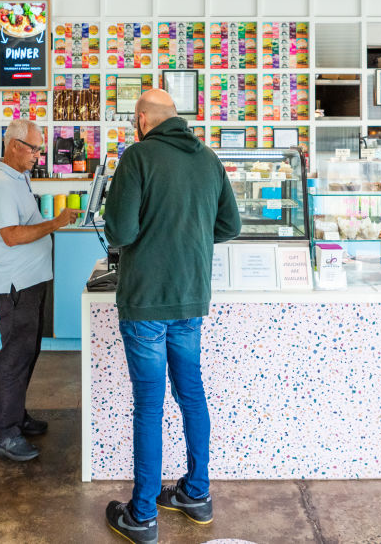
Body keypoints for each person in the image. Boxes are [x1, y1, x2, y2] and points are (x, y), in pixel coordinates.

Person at [103, 90, 241, 544]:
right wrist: (188, 237)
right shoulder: (207, 158)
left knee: (149, 404)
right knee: (191, 394)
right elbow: (230, 227)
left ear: (142, 120)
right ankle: (196, 494)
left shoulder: (137, 158)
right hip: (190, 300)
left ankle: (142, 515)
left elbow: (120, 231)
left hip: (146, 300)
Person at [0, 119, 78, 462]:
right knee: (14, 358)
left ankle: (16, 416)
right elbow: (11, 235)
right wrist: (55, 223)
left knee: (28, 353)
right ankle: (4, 434)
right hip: (16, 285)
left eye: (40, 148)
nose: (38, 155)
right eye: (33, 148)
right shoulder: (1, 185)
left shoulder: (19, 178)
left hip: (32, 281)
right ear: (13, 145)